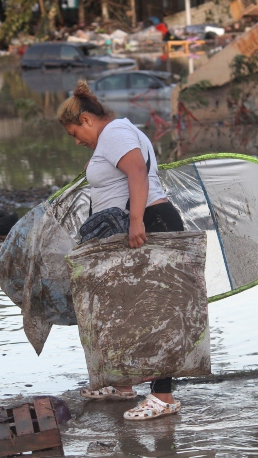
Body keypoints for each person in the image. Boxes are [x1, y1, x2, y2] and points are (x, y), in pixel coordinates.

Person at [57, 81, 185, 421]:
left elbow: (137, 172)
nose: (76, 141)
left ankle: (163, 395)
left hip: (150, 223)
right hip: (136, 226)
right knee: (126, 307)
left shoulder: (114, 133)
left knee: (157, 312)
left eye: (74, 133)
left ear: (86, 119)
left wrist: (137, 222)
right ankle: (125, 384)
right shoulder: (114, 135)